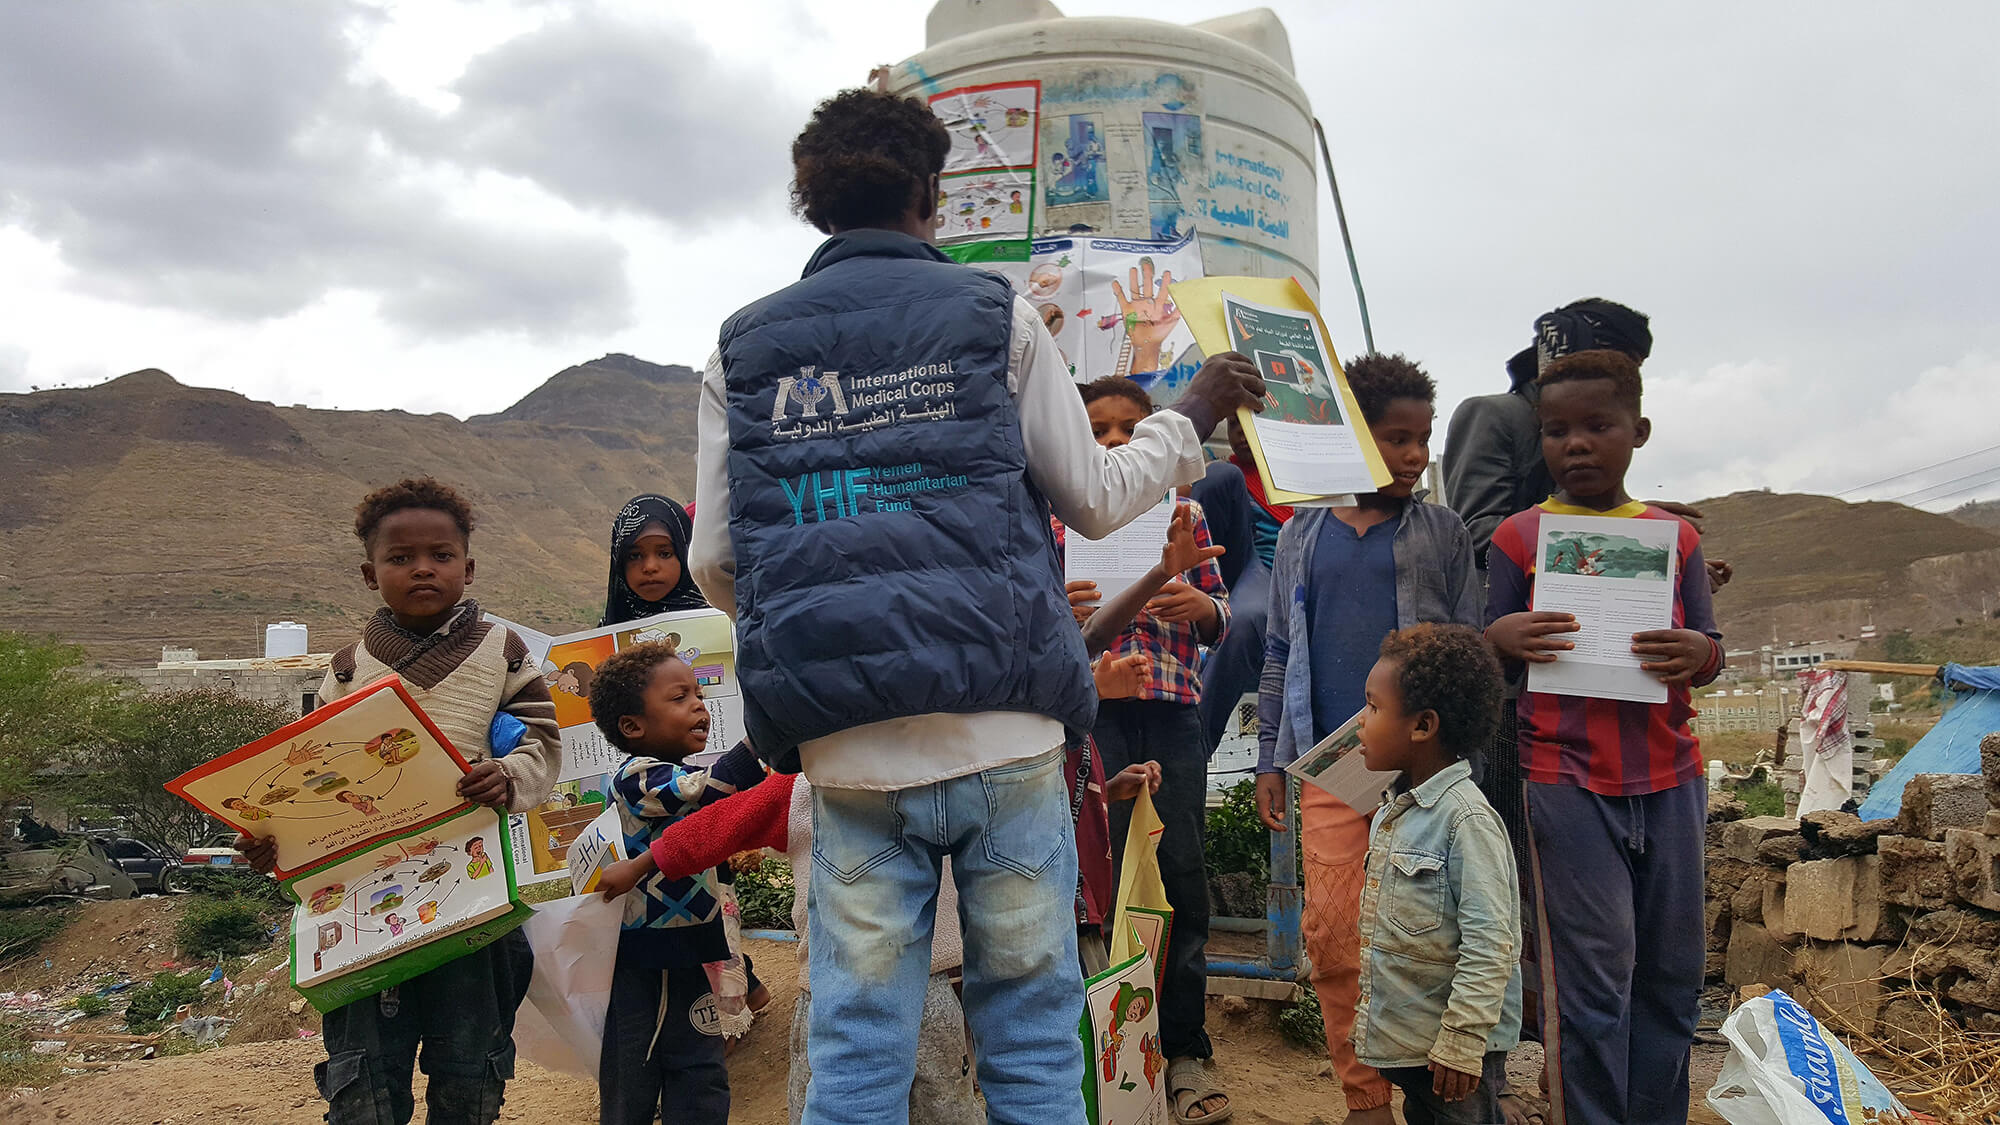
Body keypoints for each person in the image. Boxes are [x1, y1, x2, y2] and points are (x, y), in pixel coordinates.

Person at [687, 87, 1263, 1125]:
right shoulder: (992, 314)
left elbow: (721, 561)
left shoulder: (740, 347)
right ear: (930, 194)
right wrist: (1186, 422)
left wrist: (834, 619)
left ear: (807, 202)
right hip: (1006, 736)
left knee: (857, 1047)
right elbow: (1090, 497)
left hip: (848, 753)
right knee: (1034, 1036)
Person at [238, 476, 561, 1125]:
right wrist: (277, 839)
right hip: (366, 901)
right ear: (369, 571)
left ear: (467, 567)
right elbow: (316, 781)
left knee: (467, 1079)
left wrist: (507, 775)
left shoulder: (504, 651)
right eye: (400, 557)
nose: (422, 568)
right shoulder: (349, 668)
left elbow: (543, 742)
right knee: (365, 1083)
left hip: (471, 897)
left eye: (440, 555)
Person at [1484, 349, 1723, 1124]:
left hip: (1672, 778)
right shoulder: (1518, 541)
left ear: (1639, 430)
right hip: (1563, 778)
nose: (1576, 443)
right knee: (1591, 985)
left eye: (1598, 425)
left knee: (1674, 974)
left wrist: (1701, 654)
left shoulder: (1676, 541)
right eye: (1556, 430)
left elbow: (1710, 650)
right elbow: (1491, 665)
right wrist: (1500, 638)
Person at [1252, 354, 1482, 1125]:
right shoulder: (1302, 533)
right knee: (1333, 931)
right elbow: (1280, 650)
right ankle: (1365, 1099)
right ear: (1349, 436)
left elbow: (1469, 647)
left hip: (1424, 767)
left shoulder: (1440, 532)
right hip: (1331, 766)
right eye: (1395, 439)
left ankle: (1441, 1090)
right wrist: (1270, 761)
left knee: (1430, 931)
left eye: (1423, 439)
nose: (1415, 455)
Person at [1058, 374, 1232, 1123]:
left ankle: (1185, 1047)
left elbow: (1220, 610)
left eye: (1132, 428)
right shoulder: (1057, 520)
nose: (1116, 442)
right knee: (1091, 880)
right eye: (1098, 430)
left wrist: (1204, 606)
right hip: (1090, 725)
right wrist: (1057, 612)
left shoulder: (1183, 510)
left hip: (1171, 719)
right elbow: (1034, 638)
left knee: (1179, 874)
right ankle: (1107, 1045)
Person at [597, 492, 768, 1027]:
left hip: (715, 790)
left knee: (717, 900)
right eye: (634, 555)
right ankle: (714, 1014)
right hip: (662, 813)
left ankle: (727, 1007)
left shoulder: (719, 621)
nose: (650, 567)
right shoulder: (603, 641)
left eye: (666, 552)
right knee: (695, 913)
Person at [581, 642, 768, 1125]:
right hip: (651, 950)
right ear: (632, 727)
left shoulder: (677, 776)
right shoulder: (638, 779)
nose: (699, 705)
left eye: (700, 693)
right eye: (680, 697)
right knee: (636, 1065)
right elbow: (705, 790)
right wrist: (764, 735)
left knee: (701, 1061)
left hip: (693, 941)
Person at [1351, 625, 1521, 1125]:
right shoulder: (1394, 810)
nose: (1360, 723)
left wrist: (1463, 1039)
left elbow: (1492, 943)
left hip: (1452, 1054)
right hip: (1414, 1042)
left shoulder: (1466, 821)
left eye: (1373, 708)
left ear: (1422, 726)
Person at [1189, 416, 1292, 752]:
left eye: (1254, 424)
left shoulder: (1307, 476)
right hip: (1252, 570)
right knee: (1246, 621)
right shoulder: (1226, 477)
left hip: (1303, 572)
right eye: (1236, 425)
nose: (1243, 435)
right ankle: (1193, 746)